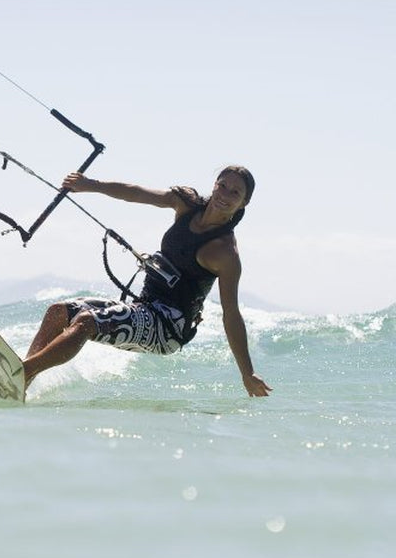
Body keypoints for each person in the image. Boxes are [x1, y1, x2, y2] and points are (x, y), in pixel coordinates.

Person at [23, 165, 272, 397]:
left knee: (86, 322)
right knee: (58, 312)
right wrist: (92, 185)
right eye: (222, 186)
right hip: (145, 305)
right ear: (214, 184)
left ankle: (21, 372)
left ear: (244, 203)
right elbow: (137, 193)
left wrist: (246, 372)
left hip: (169, 327)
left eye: (235, 192)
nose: (225, 194)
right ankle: (20, 382)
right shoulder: (186, 204)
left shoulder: (225, 253)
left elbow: (231, 314)